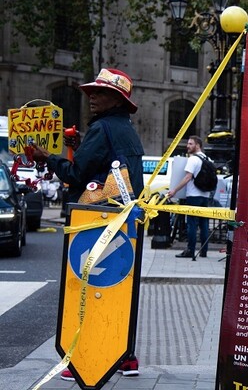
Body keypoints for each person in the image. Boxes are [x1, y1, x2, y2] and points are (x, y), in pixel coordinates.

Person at [31, 68, 144, 380]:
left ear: (117, 100)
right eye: (92, 92)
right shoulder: (125, 129)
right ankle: (126, 357)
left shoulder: (102, 128)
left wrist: (47, 157)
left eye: (101, 93)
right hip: (124, 220)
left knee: (90, 290)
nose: (92, 97)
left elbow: (76, 175)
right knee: (119, 289)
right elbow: (108, 167)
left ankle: (84, 362)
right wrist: (81, 146)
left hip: (96, 219)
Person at [167, 135, 211, 258]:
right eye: (188, 143)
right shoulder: (208, 159)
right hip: (205, 195)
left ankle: (190, 250)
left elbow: (187, 177)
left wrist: (174, 190)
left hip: (193, 195)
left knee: (191, 224)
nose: (188, 146)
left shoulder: (193, 160)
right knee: (204, 224)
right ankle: (204, 251)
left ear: (198, 145)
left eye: (191, 144)